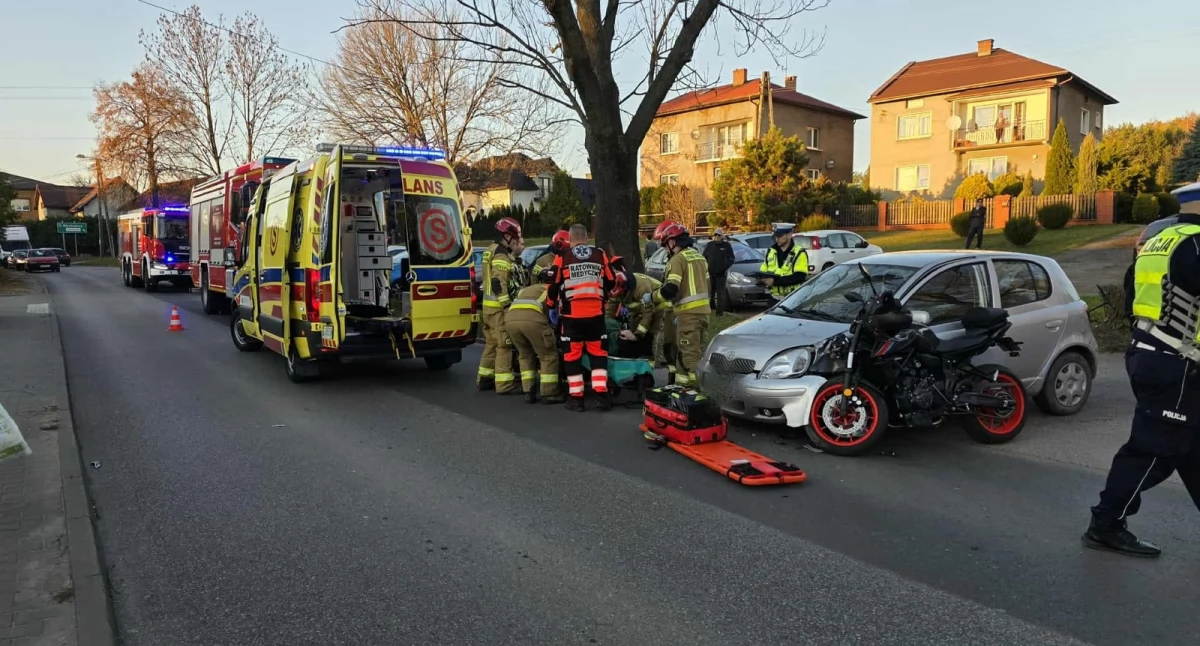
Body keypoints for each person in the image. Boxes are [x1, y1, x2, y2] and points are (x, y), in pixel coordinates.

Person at [1085, 182, 1200, 557]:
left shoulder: (1160, 241)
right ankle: (1106, 523)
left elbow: (1132, 298)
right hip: (1177, 366)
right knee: (1152, 451)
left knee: (1190, 445)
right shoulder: (1197, 246)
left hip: (1150, 354)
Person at [545, 223, 618, 412]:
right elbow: (611, 281)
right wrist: (603, 295)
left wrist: (551, 305)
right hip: (596, 315)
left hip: (572, 316)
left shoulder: (563, 256)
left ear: (570, 239)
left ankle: (576, 399)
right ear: (586, 237)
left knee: (572, 356)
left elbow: (553, 285)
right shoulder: (599, 254)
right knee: (598, 356)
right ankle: (602, 396)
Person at [653, 221, 710, 387]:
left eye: (664, 246)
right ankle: (684, 390)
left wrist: (652, 296)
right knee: (691, 353)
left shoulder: (677, 260)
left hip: (688, 315)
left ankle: (705, 393)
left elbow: (670, 289)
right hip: (703, 314)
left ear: (672, 242)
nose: (664, 250)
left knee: (690, 357)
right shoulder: (699, 256)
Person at [477, 217, 524, 394]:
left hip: (487, 308)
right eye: (514, 237)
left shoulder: (489, 249)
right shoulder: (501, 254)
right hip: (498, 308)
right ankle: (504, 384)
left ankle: (484, 378)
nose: (516, 241)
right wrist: (507, 306)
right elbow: (499, 282)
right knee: (504, 345)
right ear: (506, 236)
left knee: (491, 343)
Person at [504, 267, 564, 405]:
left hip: (511, 321)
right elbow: (554, 315)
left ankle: (528, 391)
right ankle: (550, 393)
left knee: (525, 355)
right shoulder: (551, 290)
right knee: (548, 355)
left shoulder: (526, 289)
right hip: (533, 321)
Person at [606, 267, 666, 359]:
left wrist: (637, 336)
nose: (618, 297)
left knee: (648, 337)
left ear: (625, 288)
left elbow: (648, 314)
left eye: (620, 295)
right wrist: (608, 329)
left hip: (657, 306)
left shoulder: (642, 288)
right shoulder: (615, 289)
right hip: (638, 310)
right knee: (632, 334)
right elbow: (609, 312)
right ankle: (638, 359)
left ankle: (649, 362)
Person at [759, 224, 808, 305]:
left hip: (792, 300)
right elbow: (764, 271)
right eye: (775, 236)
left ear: (789, 235)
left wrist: (775, 281)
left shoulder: (799, 252)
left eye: (780, 236)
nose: (776, 239)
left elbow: (800, 276)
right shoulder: (771, 251)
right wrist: (760, 279)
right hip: (773, 299)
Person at [702, 228, 735, 315]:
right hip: (710, 273)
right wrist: (706, 268)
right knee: (710, 293)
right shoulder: (709, 245)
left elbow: (731, 258)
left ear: (722, 236)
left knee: (720, 294)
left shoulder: (726, 246)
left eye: (718, 235)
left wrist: (724, 267)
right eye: (715, 235)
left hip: (721, 274)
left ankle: (719, 312)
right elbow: (703, 257)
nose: (716, 237)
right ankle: (711, 309)